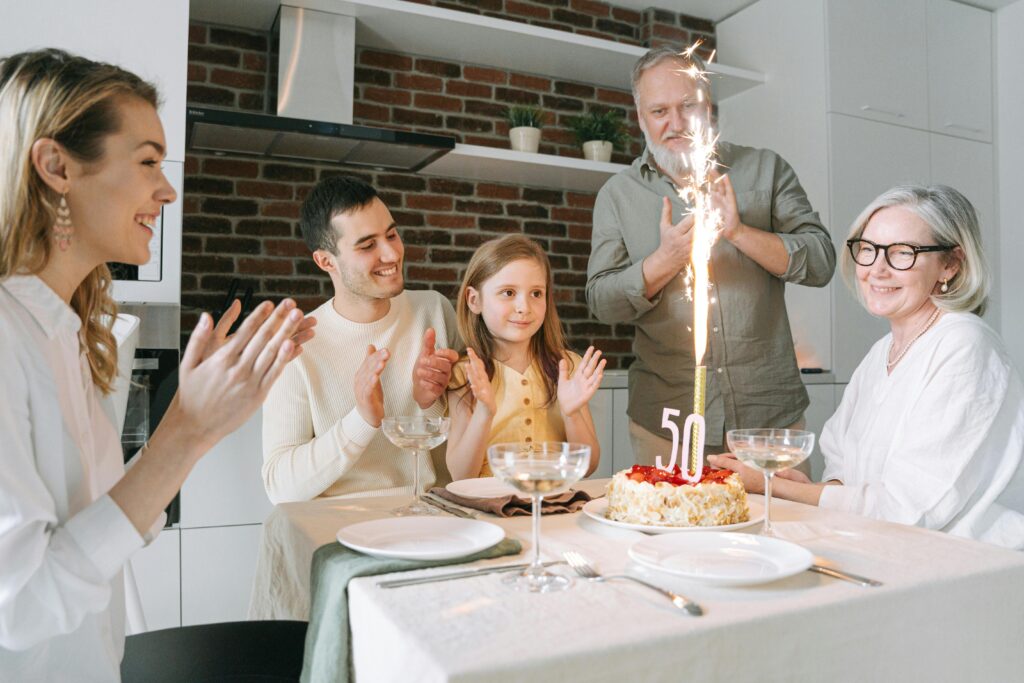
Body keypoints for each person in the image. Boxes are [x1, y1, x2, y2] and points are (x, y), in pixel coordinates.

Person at [0, 49, 313, 681]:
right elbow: (21, 605)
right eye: (147, 161)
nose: (168, 189)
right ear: (56, 166)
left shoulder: (68, 333)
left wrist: (200, 424)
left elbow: (104, 525)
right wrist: (186, 431)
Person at [711, 185, 1024, 549]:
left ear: (951, 264)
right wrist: (815, 488)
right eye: (868, 249)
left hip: (968, 562)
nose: (876, 269)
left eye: (902, 253)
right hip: (884, 545)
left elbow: (907, 510)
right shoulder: (882, 352)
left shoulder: (965, 346)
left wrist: (772, 486)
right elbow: (844, 467)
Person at [586, 45, 835, 465]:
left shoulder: (766, 169)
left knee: (783, 531)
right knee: (670, 533)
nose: (676, 123)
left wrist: (738, 232)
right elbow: (601, 303)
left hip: (768, 420)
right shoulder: (617, 195)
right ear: (640, 116)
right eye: (659, 111)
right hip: (667, 425)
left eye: (688, 106)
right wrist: (664, 260)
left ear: (709, 106)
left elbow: (822, 261)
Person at [261, 175, 460, 503]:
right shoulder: (298, 346)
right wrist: (362, 419)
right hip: (341, 526)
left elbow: (473, 432)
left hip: (433, 513)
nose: (391, 254)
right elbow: (280, 487)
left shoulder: (434, 310)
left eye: (392, 235)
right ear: (326, 261)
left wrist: (435, 399)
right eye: (368, 245)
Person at [445, 234, 604, 480]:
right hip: (489, 509)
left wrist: (571, 414)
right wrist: (484, 412)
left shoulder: (568, 366)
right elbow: (461, 475)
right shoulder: (463, 373)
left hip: (552, 505)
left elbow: (589, 466)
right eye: (508, 293)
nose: (524, 307)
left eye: (536, 294)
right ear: (474, 301)